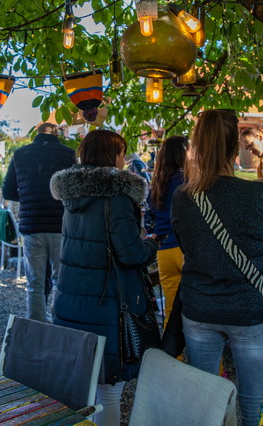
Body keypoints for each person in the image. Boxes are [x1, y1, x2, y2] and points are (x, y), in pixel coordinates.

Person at [172, 110, 263, 426]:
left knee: (204, 403)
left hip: (200, 309)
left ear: (198, 148)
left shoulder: (184, 197)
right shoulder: (261, 193)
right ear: (235, 149)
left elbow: (189, 250)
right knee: (253, 406)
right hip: (250, 309)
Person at [50, 130, 158, 426]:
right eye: (122, 153)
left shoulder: (72, 195)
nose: (125, 160)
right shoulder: (118, 195)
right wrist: (152, 244)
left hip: (72, 303)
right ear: (111, 156)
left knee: (87, 388)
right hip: (108, 305)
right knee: (110, 392)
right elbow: (131, 254)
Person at [1, 122, 76, 322]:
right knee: (60, 281)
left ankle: (36, 324)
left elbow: (8, 190)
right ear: (57, 134)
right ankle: (59, 321)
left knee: (34, 283)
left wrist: (28, 197)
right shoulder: (68, 154)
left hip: (32, 223)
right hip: (60, 225)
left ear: (36, 134)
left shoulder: (20, 154)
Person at [145, 135, 189, 328]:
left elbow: (149, 224)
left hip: (164, 252)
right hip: (188, 249)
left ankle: (174, 356)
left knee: (170, 312)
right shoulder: (189, 180)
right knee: (200, 313)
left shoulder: (157, 185)